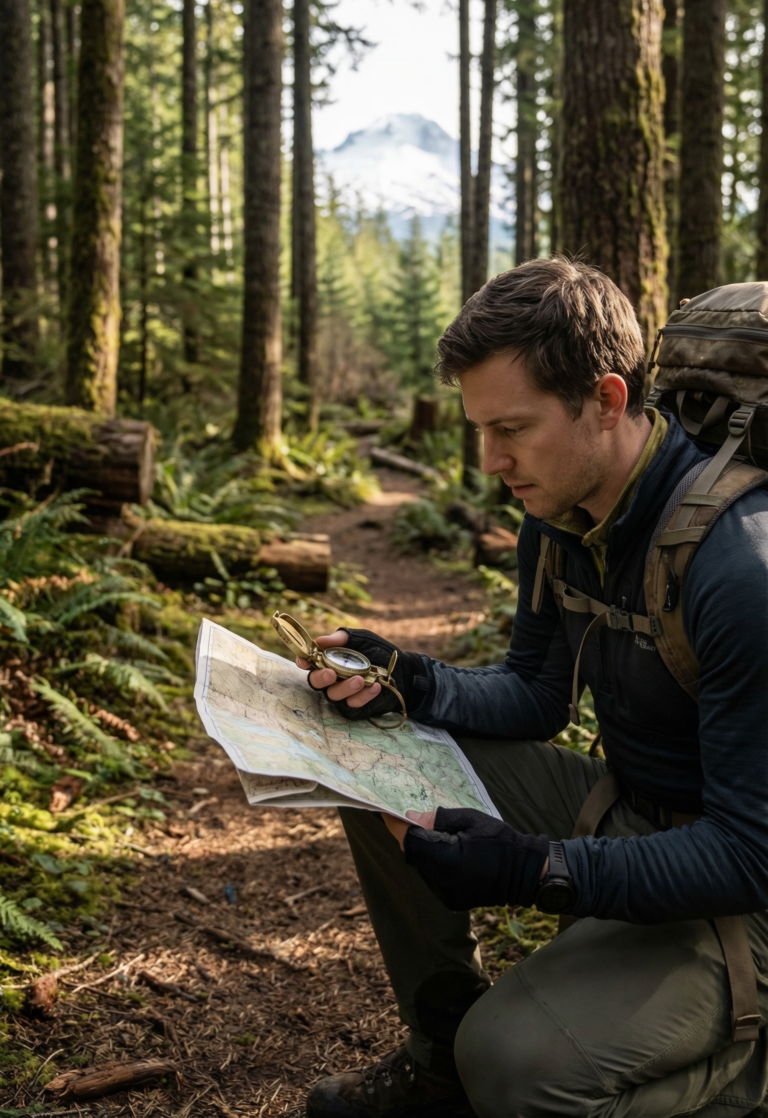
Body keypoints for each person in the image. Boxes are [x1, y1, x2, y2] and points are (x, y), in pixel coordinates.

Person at [301, 258, 768, 1118]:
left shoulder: (737, 570)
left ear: (609, 401)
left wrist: (541, 869)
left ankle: (749, 1076)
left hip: (747, 884)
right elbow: (536, 694)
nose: (490, 461)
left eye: (511, 428)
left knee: (514, 1065)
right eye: (481, 430)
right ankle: (437, 1060)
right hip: (637, 812)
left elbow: (749, 853)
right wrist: (409, 680)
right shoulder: (557, 515)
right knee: (373, 761)